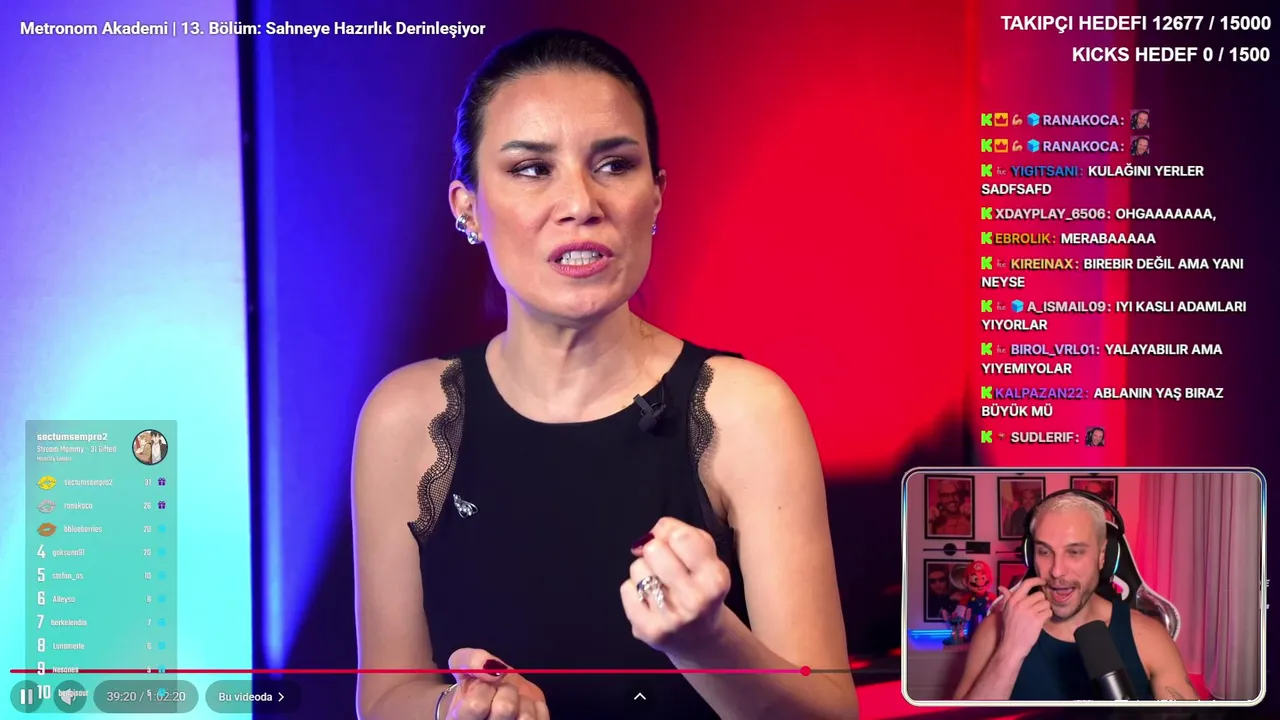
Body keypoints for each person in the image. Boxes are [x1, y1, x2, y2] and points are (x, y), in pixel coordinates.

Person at [351, 28, 857, 720]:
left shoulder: (748, 411)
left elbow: (831, 713)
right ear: (467, 207)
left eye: (615, 165)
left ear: (656, 196)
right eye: (533, 169)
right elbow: (385, 697)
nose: (581, 202)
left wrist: (707, 642)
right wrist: (457, 711)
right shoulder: (406, 416)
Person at [953, 494, 1195, 701]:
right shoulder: (994, 631)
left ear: (1103, 556)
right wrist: (1010, 651)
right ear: (1030, 555)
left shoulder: (1149, 637)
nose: (1057, 571)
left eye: (1075, 551)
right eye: (1044, 551)